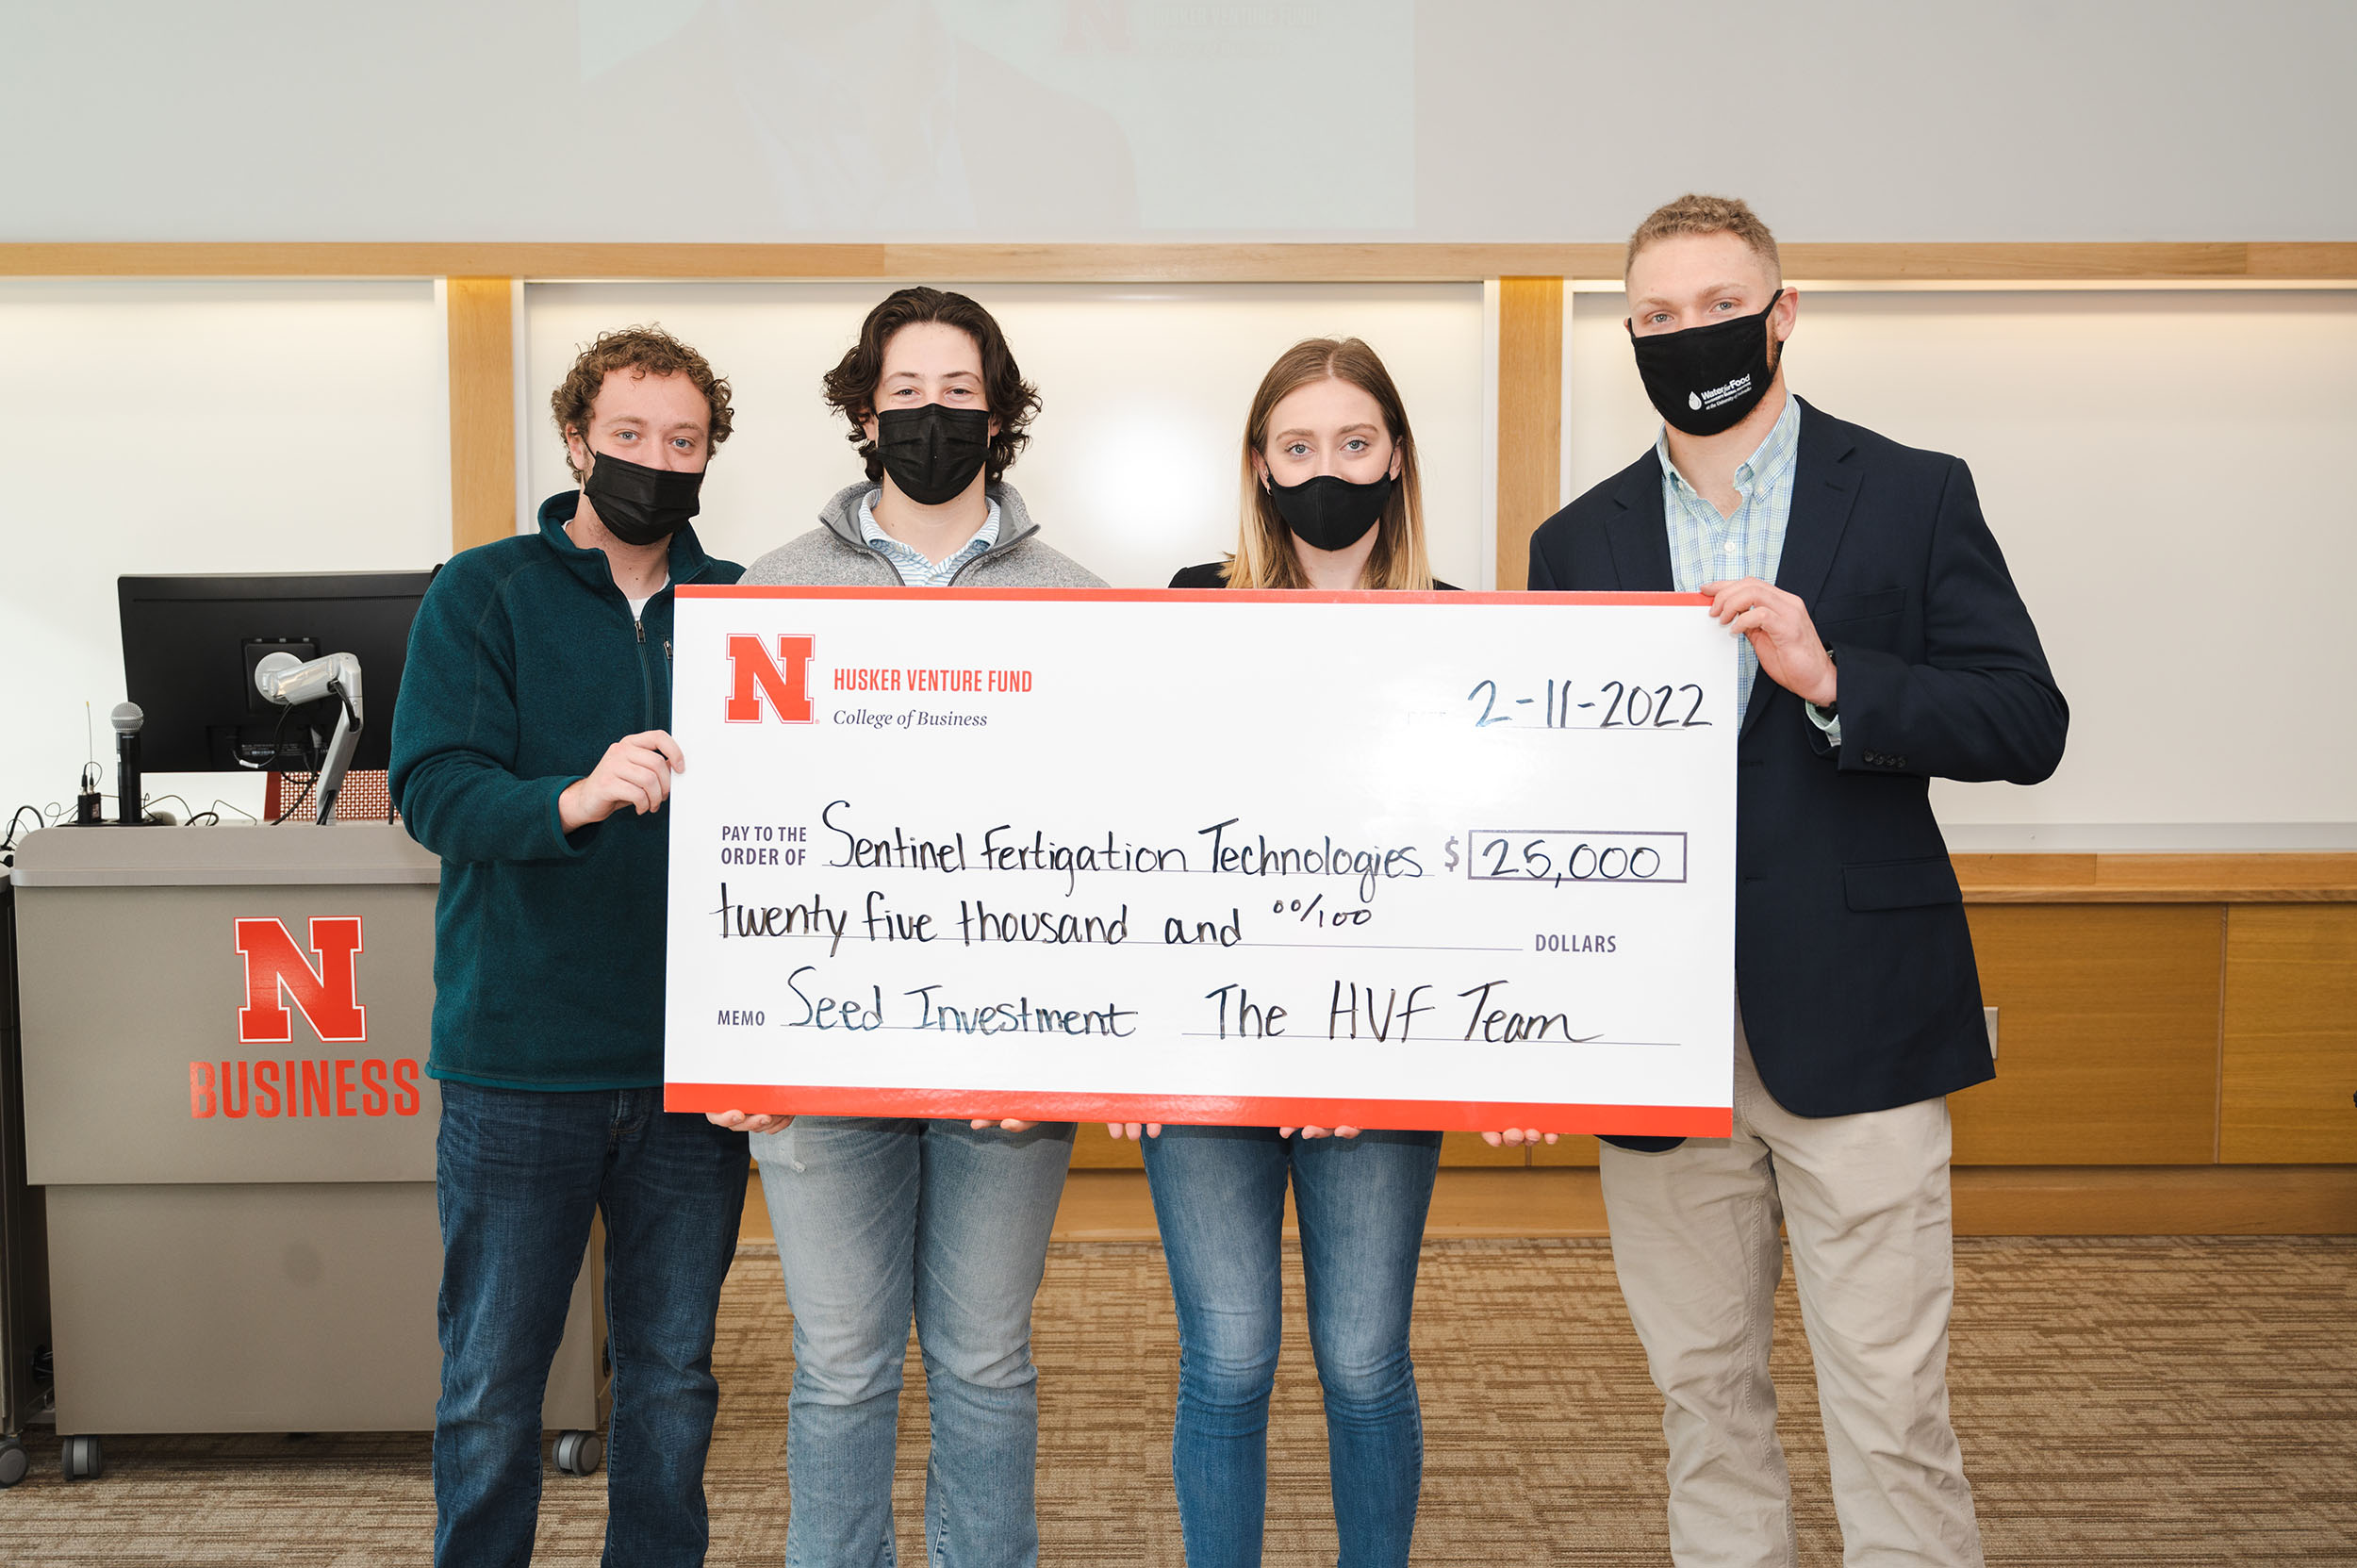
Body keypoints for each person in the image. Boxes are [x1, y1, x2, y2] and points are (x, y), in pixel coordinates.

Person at [1516, 195, 2069, 1566]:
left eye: (1716, 306)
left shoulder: (1912, 489)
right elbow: (1552, 808)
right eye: (1654, 317)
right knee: (1704, 1404)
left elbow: (2027, 721)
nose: (1686, 334)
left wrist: (1838, 684)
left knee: (1890, 1410)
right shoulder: (1574, 546)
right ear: (1627, 334)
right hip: (1658, 1051)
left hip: (1865, 1030)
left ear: (1783, 314)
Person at [706, 286, 1101, 1568]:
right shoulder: (771, 592)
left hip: (1010, 1057)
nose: (935, 418)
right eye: (908, 396)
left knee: (985, 1356)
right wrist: (736, 1038)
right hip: (817, 1051)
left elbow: (1109, 847)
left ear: (1003, 413)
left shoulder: (1080, 604)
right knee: (840, 1365)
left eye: (960, 395)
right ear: (862, 413)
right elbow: (731, 836)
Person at [389, 325, 751, 1566]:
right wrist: (570, 798)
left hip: (692, 1070)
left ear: (711, 457)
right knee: (492, 1384)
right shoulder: (482, 591)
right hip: (518, 1061)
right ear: (575, 441)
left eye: (684, 441)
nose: (657, 460)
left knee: (671, 1383)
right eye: (630, 436)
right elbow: (433, 790)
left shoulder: (747, 610)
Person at [1122, 337, 1446, 1568]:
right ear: (1259, 465)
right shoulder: (1192, 608)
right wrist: (1122, 1046)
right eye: (1299, 446)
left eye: (1354, 443)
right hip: (1208, 1053)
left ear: (1396, 456)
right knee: (1230, 1360)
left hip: (1382, 1058)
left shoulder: (1463, 634)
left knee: (1364, 1364)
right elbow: (1137, 835)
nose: (1328, 470)